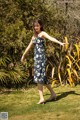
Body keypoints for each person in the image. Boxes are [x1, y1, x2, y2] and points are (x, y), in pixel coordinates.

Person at [21, 19, 65, 104]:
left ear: (40, 26)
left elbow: (51, 38)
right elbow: (29, 47)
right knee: (42, 78)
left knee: (38, 77)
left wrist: (60, 43)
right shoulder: (33, 36)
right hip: (36, 59)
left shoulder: (42, 34)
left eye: (37, 26)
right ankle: (53, 94)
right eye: (34, 26)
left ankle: (41, 98)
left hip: (41, 59)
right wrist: (23, 55)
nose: (35, 27)